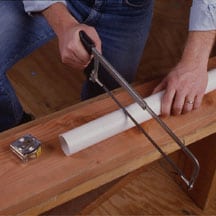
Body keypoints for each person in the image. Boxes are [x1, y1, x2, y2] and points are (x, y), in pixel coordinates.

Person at [0, 0, 215, 132]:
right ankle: (14, 130)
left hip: (128, 12)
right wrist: (63, 23)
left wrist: (194, 62)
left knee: (109, 111)